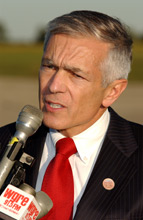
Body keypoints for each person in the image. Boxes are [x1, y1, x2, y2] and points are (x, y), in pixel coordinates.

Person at [0, 10, 143, 220]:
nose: (54, 86)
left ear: (112, 91)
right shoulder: (5, 141)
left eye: (76, 74)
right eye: (49, 66)